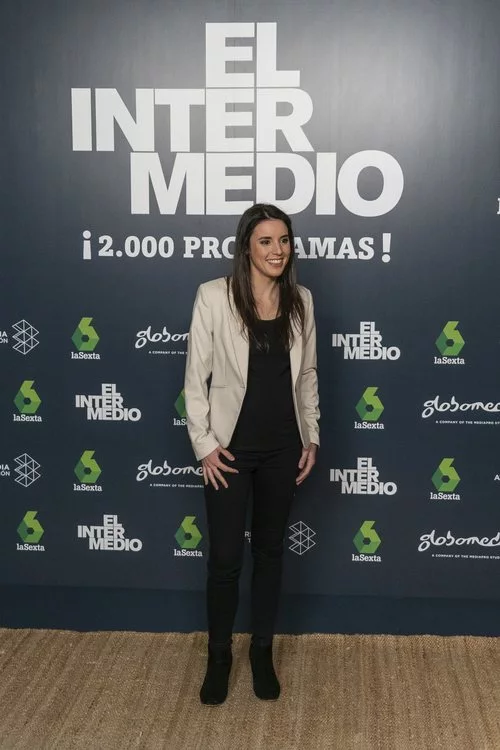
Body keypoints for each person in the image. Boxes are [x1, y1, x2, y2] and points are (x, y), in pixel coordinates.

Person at [184, 203, 320, 705]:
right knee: (225, 560)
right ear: (246, 247)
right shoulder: (213, 296)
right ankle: (219, 655)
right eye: (266, 241)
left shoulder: (302, 300)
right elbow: (195, 379)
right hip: (229, 452)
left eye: (283, 240)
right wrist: (204, 446)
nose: (277, 250)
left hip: (284, 449)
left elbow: (307, 375)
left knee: (269, 553)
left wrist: (312, 436)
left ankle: (262, 650)